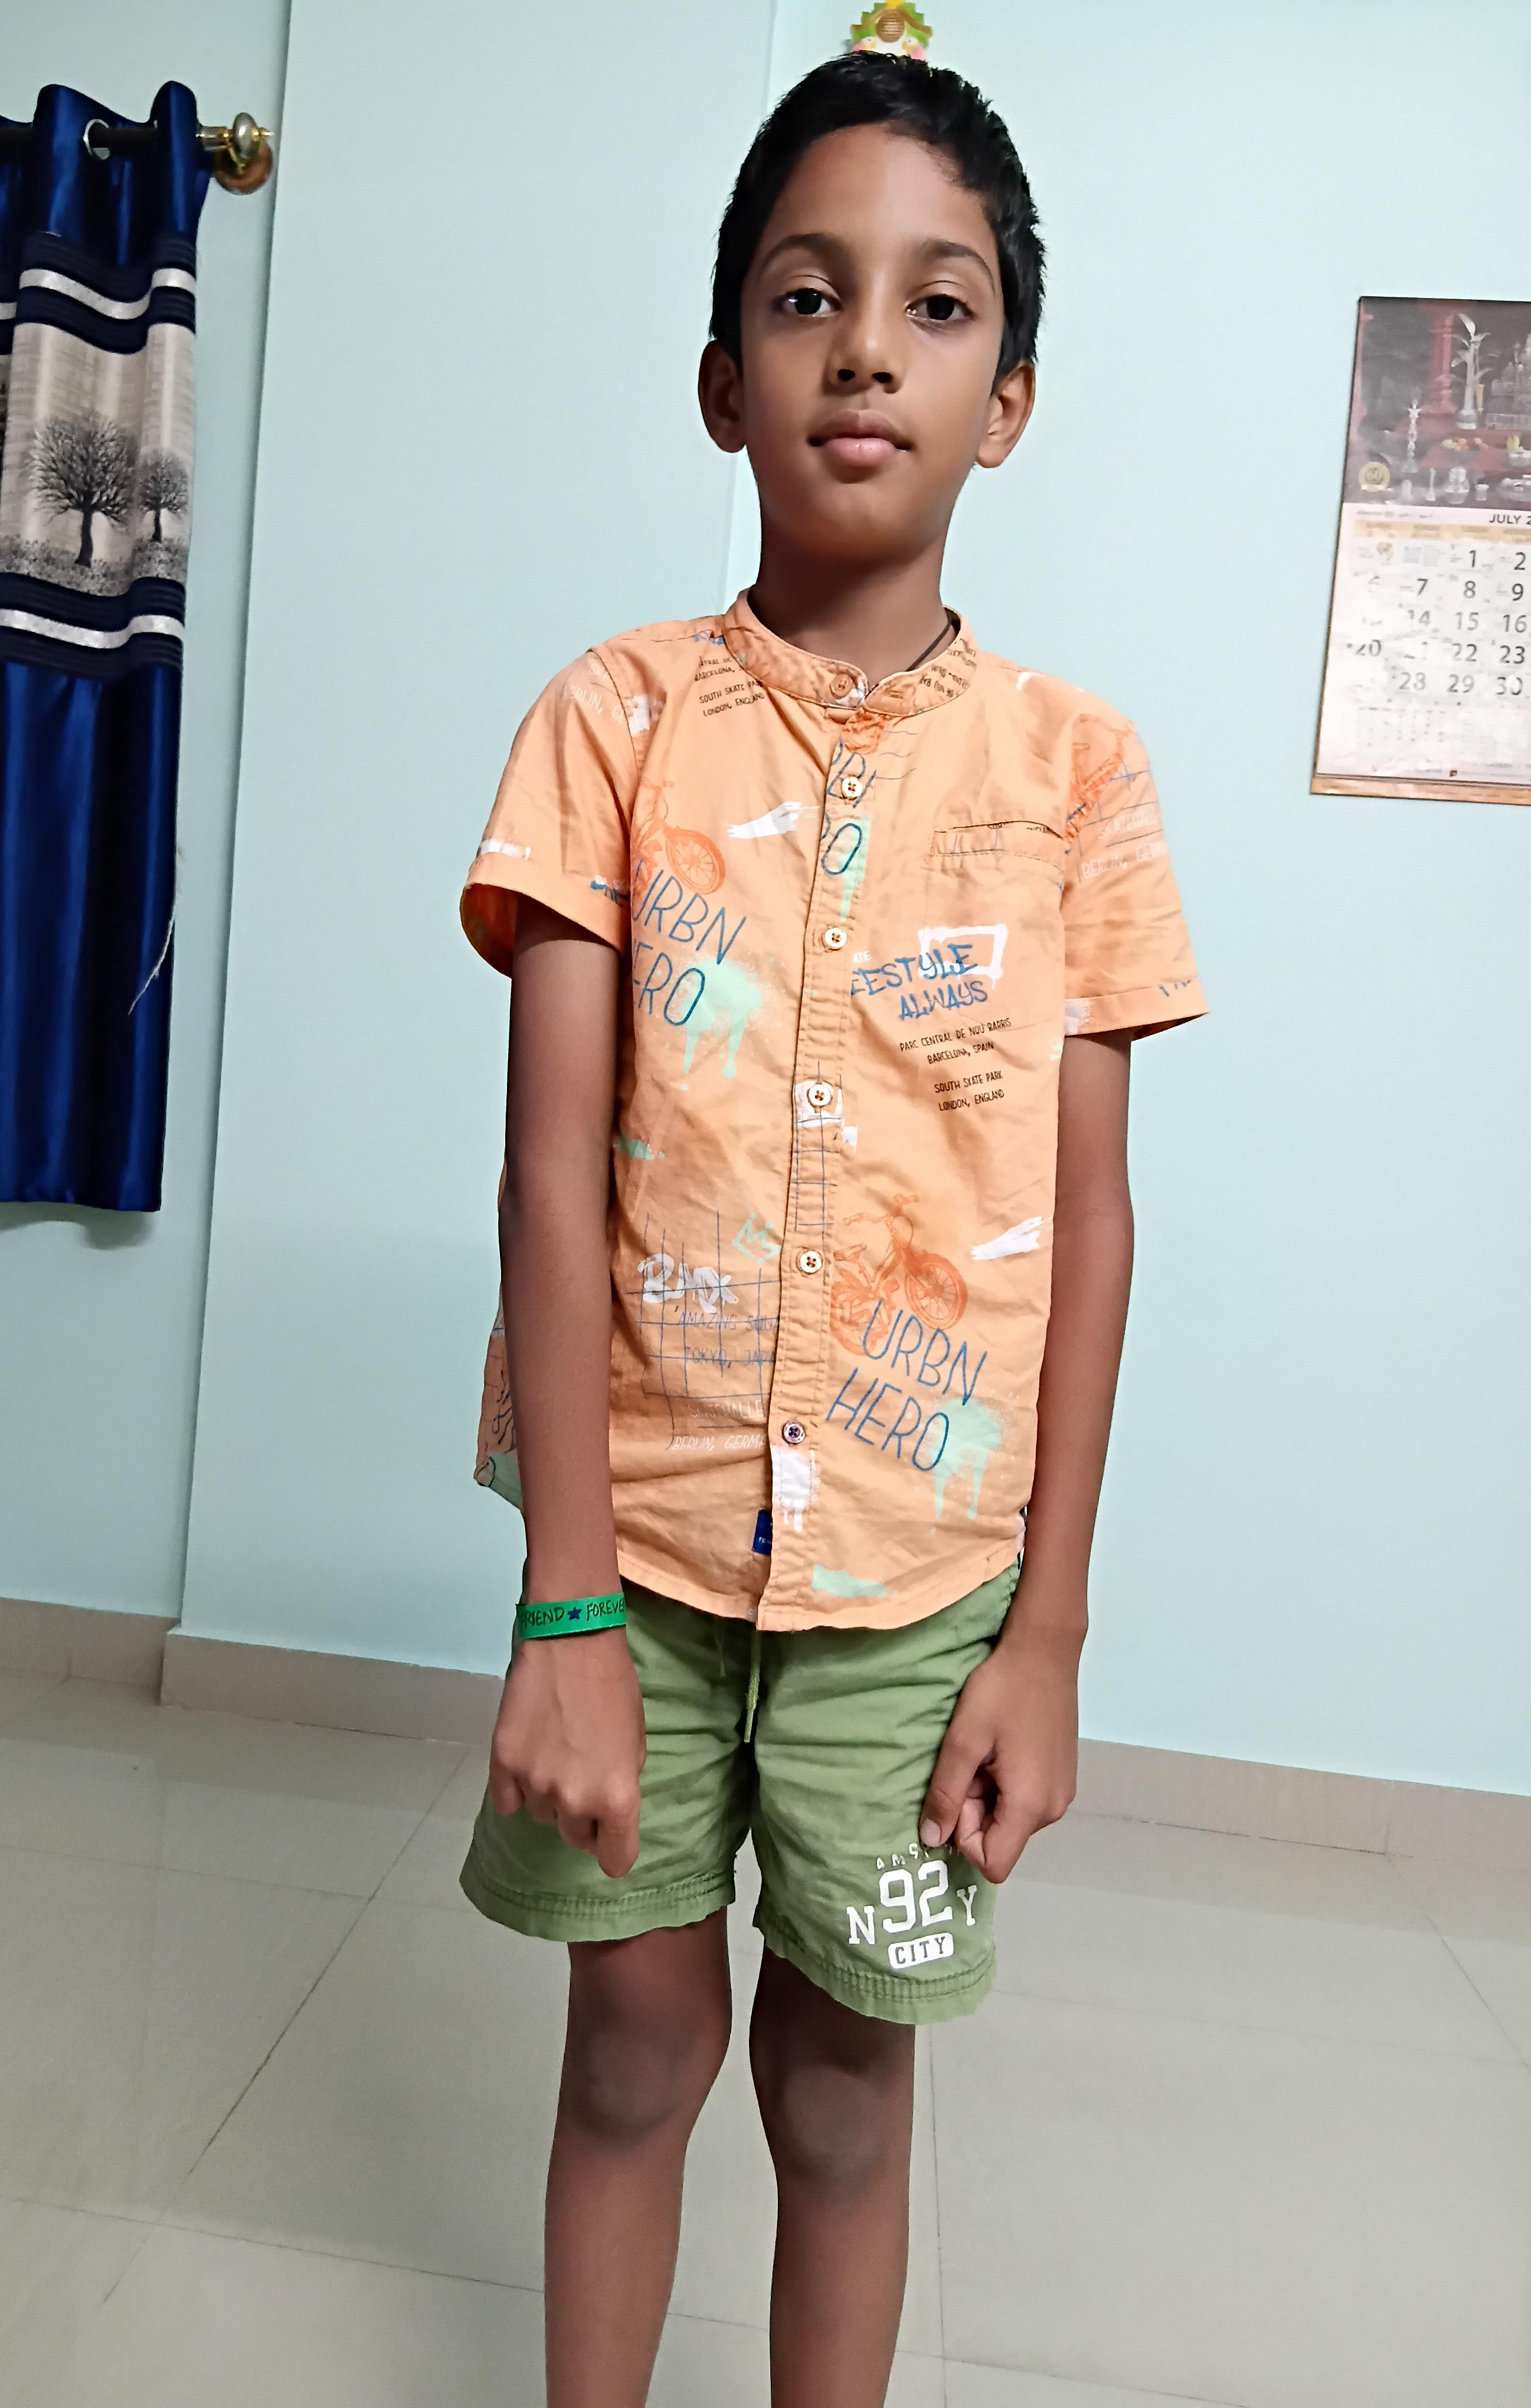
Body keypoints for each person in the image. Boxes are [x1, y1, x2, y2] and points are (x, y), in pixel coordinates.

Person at [457, 50, 1206, 2408]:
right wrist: (567, 1607)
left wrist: (1046, 1634)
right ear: (723, 381)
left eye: (935, 305)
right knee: (628, 2047)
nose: (866, 347)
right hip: (643, 1551)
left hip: (923, 1580)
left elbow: (1092, 1225)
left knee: (846, 2091)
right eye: (806, 297)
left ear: (1009, 402)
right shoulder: (608, 725)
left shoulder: (1081, 777)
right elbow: (545, 1178)